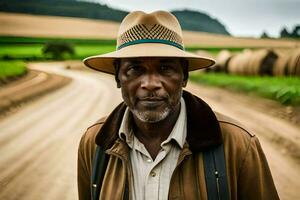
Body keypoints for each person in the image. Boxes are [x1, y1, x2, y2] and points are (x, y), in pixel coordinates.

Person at [78, 10, 279, 200]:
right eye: (135, 68)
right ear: (117, 77)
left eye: (165, 68)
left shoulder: (238, 145)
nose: (150, 84)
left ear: (184, 76)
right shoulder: (94, 144)